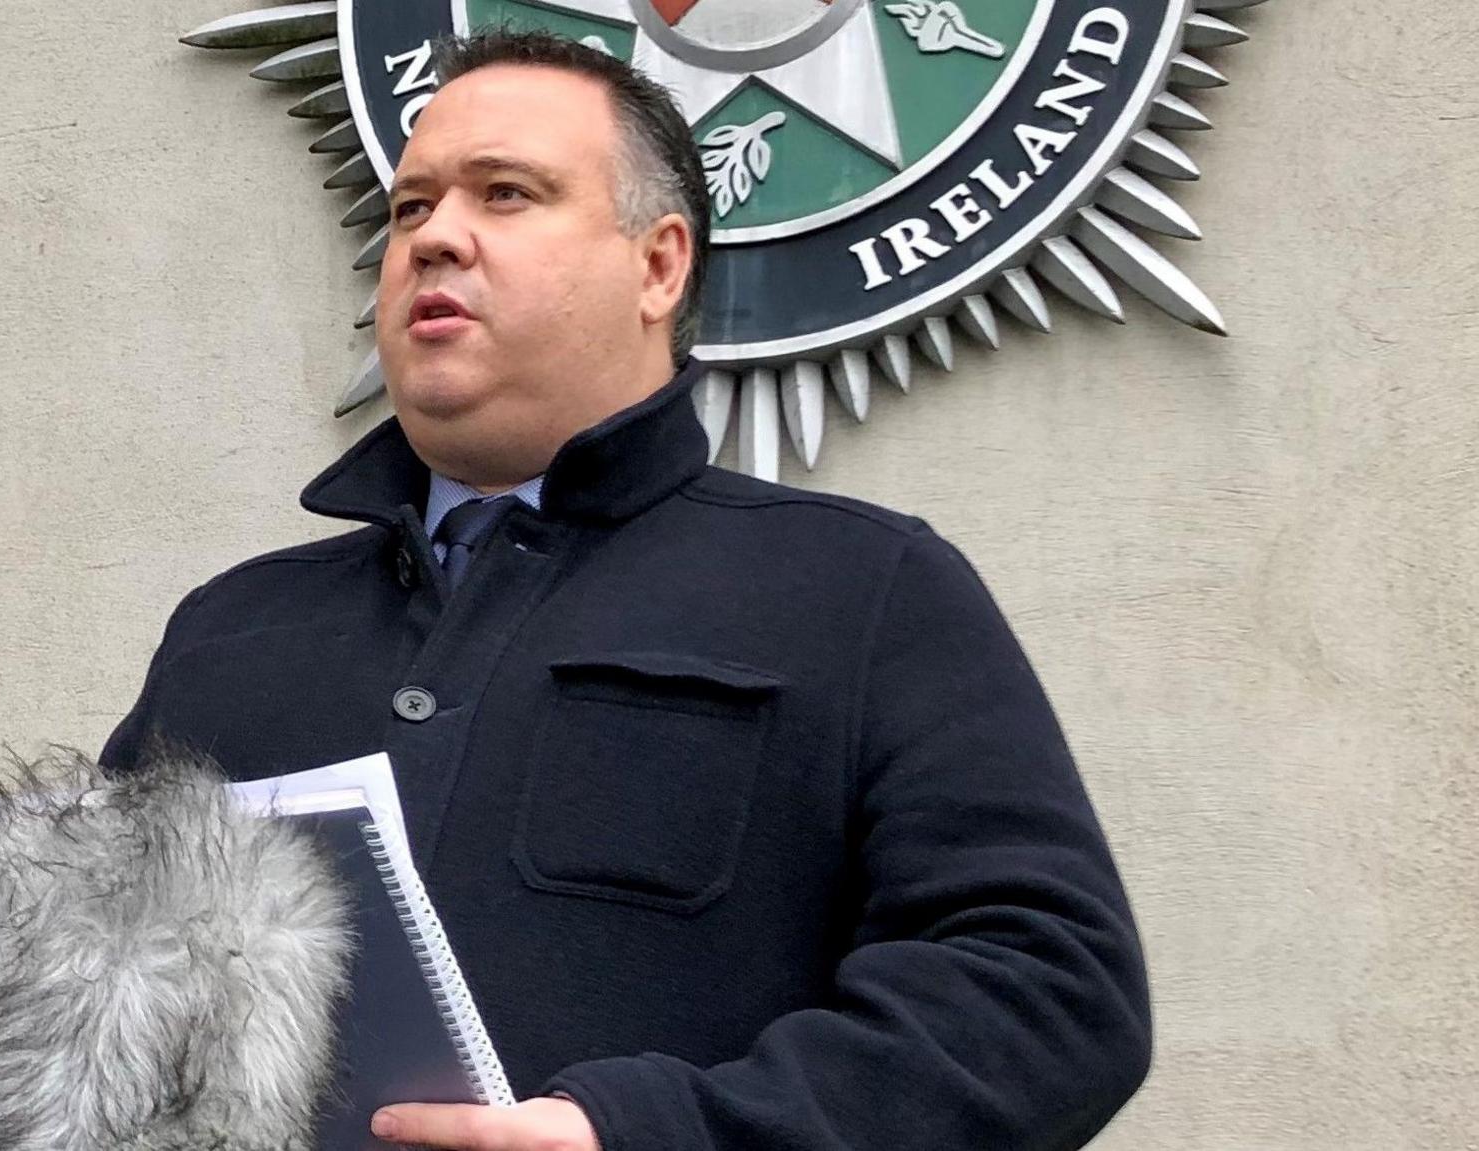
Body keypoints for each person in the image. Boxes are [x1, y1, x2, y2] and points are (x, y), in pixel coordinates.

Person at [100, 28, 1150, 1151]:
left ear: (656, 265)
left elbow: (1046, 991)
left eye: (505, 194)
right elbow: (69, 999)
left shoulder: (864, 593)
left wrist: (648, 1129)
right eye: (409, 209)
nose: (434, 238)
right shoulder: (234, 629)